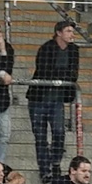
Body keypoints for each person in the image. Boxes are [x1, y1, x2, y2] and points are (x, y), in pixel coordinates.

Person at [29, 20, 81, 164]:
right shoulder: (46, 48)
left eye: (72, 31)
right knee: (40, 136)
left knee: (59, 132)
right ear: (59, 33)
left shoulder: (74, 50)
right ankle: (45, 169)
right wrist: (62, 74)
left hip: (57, 99)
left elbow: (73, 74)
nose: (72, 35)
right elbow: (44, 71)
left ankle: (56, 162)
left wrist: (59, 75)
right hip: (39, 98)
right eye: (68, 31)